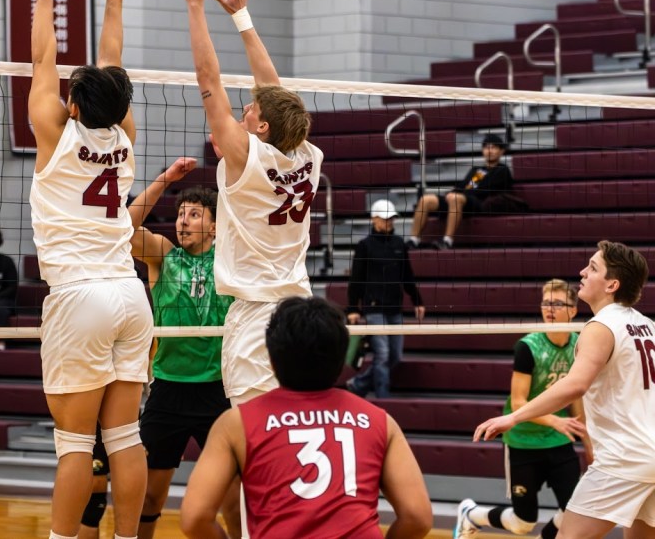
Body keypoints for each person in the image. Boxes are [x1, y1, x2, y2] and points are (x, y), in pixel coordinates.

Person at [27, 0, 152, 539]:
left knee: (75, 443)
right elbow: (113, 68)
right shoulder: (125, 137)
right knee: (124, 437)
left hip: (80, 295)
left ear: (72, 104)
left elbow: (42, 57)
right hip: (130, 295)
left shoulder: (53, 133)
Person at [184, 0, 324, 407]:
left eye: (251, 111)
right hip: (300, 310)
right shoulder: (306, 153)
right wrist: (241, 16)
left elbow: (209, 79)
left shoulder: (246, 155)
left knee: (255, 436)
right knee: (297, 418)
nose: (246, 109)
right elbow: (274, 91)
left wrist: (194, 6)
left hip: (256, 316)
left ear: (262, 127)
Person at [179, 296, 433, 539]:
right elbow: (417, 518)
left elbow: (195, 518)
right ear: (342, 355)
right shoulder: (380, 422)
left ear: (272, 360)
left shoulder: (235, 424)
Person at [474, 241, 655, 539]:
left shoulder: (600, 327)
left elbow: (575, 385)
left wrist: (513, 418)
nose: (582, 272)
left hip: (624, 459)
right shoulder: (646, 325)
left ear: (612, 284)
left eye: (593, 267)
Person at [128, 158, 237, 538]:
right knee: (148, 498)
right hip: (168, 391)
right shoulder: (163, 255)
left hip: (217, 391)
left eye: (194, 214)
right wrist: (166, 179)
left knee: (232, 497)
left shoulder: (228, 258)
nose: (183, 221)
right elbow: (122, 230)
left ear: (214, 225)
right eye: (180, 214)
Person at [454, 279, 592, 539]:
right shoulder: (528, 347)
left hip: (558, 440)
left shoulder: (580, 346)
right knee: (522, 524)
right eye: (546, 303)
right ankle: (471, 514)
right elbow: (518, 403)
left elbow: (578, 398)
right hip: (523, 441)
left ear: (573, 310)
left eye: (557, 303)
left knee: (575, 510)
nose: (549, 309)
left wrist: (589, 446)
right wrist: (555, 421)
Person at [345, 199, 425, 399]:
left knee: (395, 356)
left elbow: (407, 275)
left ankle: (358, 384)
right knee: (382, 356)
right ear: (375, 220)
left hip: (394, 308)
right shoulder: (365, 246)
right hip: (374, 308)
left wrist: (417, 300)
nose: (389, 222)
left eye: (392, 219)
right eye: (386, 219)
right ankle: (383, 399)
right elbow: (356, 279)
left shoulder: (399, 244)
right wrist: (353, 309)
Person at [407, 133, 513, 250]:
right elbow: (465, 187)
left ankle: (447, 241)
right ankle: (414, 240)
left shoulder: (502, 170)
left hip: (482, 203)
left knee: (455, 198)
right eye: (486, 147)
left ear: (501, 151)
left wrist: (459, 194)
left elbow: (486, 190)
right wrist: (452, 193)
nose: (489, 151)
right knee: (426, 200)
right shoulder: (478, 171)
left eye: (493, 147)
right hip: (464, 201)